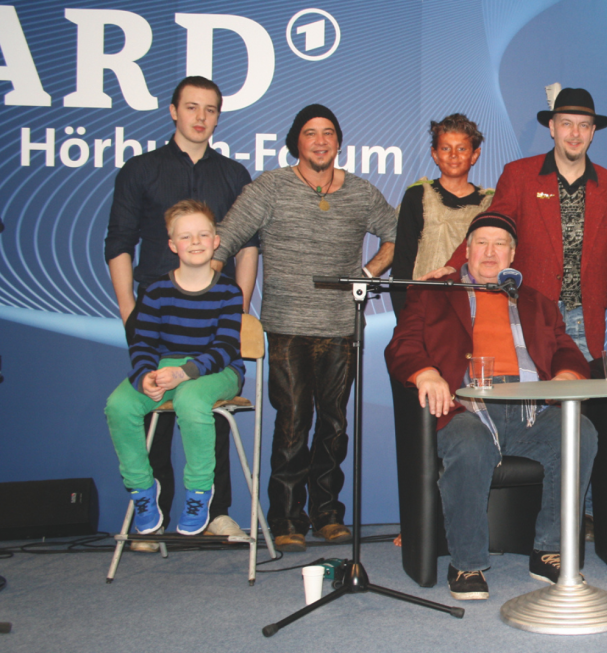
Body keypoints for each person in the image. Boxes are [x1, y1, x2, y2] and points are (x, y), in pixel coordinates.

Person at [212, 104, 398, 552]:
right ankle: (286, 518)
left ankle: (328, 515)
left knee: (334, 425)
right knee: (294, 423)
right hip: (287, 327)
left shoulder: (360, 192)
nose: (320, 141)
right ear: (297, 141)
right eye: (311, 133)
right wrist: (204, 287)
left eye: (328, 133)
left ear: (338, 141)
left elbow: (398, 233)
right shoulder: (270, 187)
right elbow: (229, 235)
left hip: (342, 327)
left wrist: (369, 273)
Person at [385, 212, 597, 601]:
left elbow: (567, 348)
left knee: (580, 432)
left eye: (500, 244)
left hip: (530, 408)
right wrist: (426, 372)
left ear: (512, 254)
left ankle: (549, 549)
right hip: (466, 407)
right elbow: (403, 345)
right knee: (469, 443)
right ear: (466, 250)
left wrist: (568, 372)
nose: (490, 251)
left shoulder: (536, 301)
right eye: (481, 242)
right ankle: (467, 563)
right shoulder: (435, 292)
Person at [104, 76, 257, 546]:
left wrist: (239, 308)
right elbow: (119, 243)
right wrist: (131, 310)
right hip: (157, 310)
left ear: (217, 115)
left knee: (200, 406)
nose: (200, 117)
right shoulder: (141, 169)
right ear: (174, 111)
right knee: (151, 409)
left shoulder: (233, 175)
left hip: (215, 314)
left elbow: (248, 246)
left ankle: (216, 511)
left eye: (210, 109)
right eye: (191, 107)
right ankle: (154, 511)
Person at [429, 87, 607, 363]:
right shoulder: (519, 176)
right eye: (566, 124)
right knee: (529, 401)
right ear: (552, 128)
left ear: (592, 132)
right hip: (527, 314)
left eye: (583, 126)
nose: (575, 134)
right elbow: (489, 229)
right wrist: (454, 265)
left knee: (580, 403)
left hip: (584, 323)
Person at [105, 200, 245, 537]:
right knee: (119, 405)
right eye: (186, 237)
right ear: (172, 245)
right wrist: (144, 377)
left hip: (217, 371)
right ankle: (141, 490)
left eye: (203, 235)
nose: (195, 242)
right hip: (166, 368)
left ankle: (199, 492)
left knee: (190, 400)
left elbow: (226, 348)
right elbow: (142, 344)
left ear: (215, 241)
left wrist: (184, 372)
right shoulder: (156, 291)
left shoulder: (228, 291)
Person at [390, 113, 493, 313]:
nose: (453, 155)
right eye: (446, 148)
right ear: (435, 154)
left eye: (461, 149)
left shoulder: (489, 203)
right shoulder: (417, 196)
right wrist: (404, 318)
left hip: (473, 309)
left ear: (474, 155)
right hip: (424, 307)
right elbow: (403, 261)